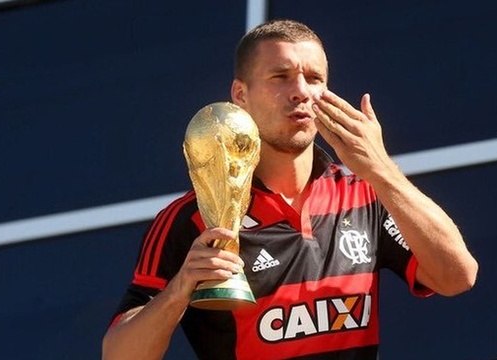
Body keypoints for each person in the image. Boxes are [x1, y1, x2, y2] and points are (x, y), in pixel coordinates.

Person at [102, 19, 478, 360]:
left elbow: (457, 277)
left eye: (314, 78)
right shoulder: (190, 218)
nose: (300, 91)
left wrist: (382, 170)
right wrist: (179, 290)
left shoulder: (366, 194)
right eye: (280, 77)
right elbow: (119, 355)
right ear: (240, 94)